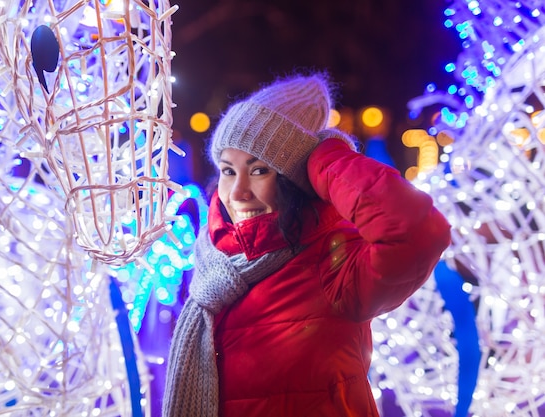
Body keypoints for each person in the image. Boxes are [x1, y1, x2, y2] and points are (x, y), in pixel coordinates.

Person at [162, 72, 451, 417]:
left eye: (258, 171)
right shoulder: (213, 261)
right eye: (228, 170)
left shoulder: (334, 262)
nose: (237, 192)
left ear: (294, 179)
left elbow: (416, 230)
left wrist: (327, 159)